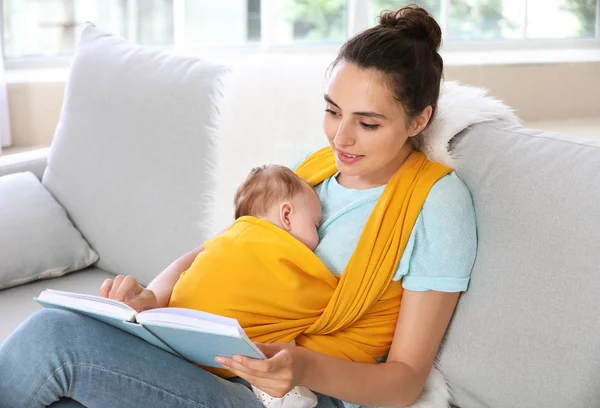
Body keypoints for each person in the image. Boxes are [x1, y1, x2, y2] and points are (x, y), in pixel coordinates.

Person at [0, 5, 477, 408]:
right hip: (210, 359)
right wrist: (152, 298)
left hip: (289, 395)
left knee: (54, 339)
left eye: (368, 124)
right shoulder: (312, 170)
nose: (341, 138)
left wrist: (301, 366)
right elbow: (222, 250)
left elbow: (407, 378)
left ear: (420, 119)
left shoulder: (436, 202)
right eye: (332, 111)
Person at [171, 164, 322, 408]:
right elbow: (314, 301)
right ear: (286, 215)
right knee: (276, 337)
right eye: (315, 225)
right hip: (226, 354)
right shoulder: (281, 253)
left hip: (179, 335)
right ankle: (276, 394)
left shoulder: (230, 239)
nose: (319, 237)